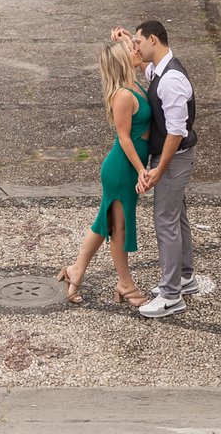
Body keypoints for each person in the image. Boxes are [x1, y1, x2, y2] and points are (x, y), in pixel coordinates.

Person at [56, 39, 153, 306]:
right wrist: (141, 170)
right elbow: (124, 138)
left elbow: (142, 52)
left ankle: (75, 271)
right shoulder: (123, 94)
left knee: (104, 224)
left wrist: (122, 37)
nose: (136, 50)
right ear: (122, 60)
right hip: (122, 168)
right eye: (130, 49)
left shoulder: (134, 84)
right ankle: (124, 283)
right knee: (118, 227)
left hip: (127, 167)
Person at [115, 19, 199, 318]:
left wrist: (158, 171)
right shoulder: (161, 69)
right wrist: (126, 39)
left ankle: (171, 295)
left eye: (138, 42)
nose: (136, 48)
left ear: (153, 39)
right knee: (178, 218)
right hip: (176, 159)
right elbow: (143, 68)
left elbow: (175, 132)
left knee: (165, 223)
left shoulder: (172, 80)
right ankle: (185, 276)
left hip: (174, 160)